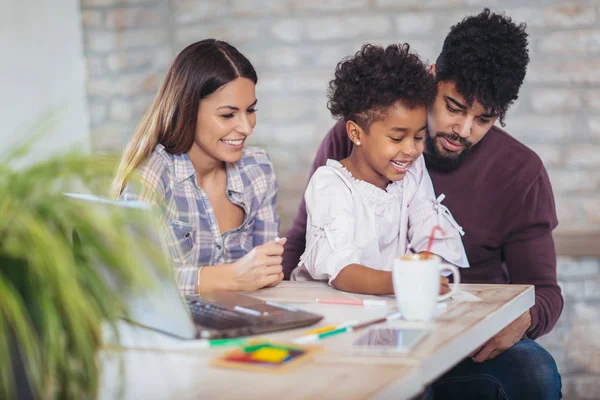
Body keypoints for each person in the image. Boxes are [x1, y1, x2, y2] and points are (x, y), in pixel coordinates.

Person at [283, 9, 562, 399]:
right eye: (454, 107)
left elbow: (545, 291)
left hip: (462, 340)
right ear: (432, 77)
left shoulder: (520, 172)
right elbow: (306, 241)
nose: (463, 131)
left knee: (535, 372)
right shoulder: (356, 141)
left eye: (484, 119)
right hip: (368, 324)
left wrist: (521, 320)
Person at [112, 39, 285, 296]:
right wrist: (229, 278)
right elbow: (131, 281)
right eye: (228, 115)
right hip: (176, 332)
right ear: (187, 110)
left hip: (246, 323)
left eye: (250, 110)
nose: (247, 128)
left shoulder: (258, 169)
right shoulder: (152, 177)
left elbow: (268, 276)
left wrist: (265, 274)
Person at [292, 43, 468, 295]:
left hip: (384, 308)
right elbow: (343, 270)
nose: (410, 150)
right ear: (355, 133)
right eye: (397, 138)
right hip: (333, 312)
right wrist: (406, 281)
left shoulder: (413, 171)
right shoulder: (330, 184)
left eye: (418, 137)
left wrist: (428, 266)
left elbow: (430, 231)